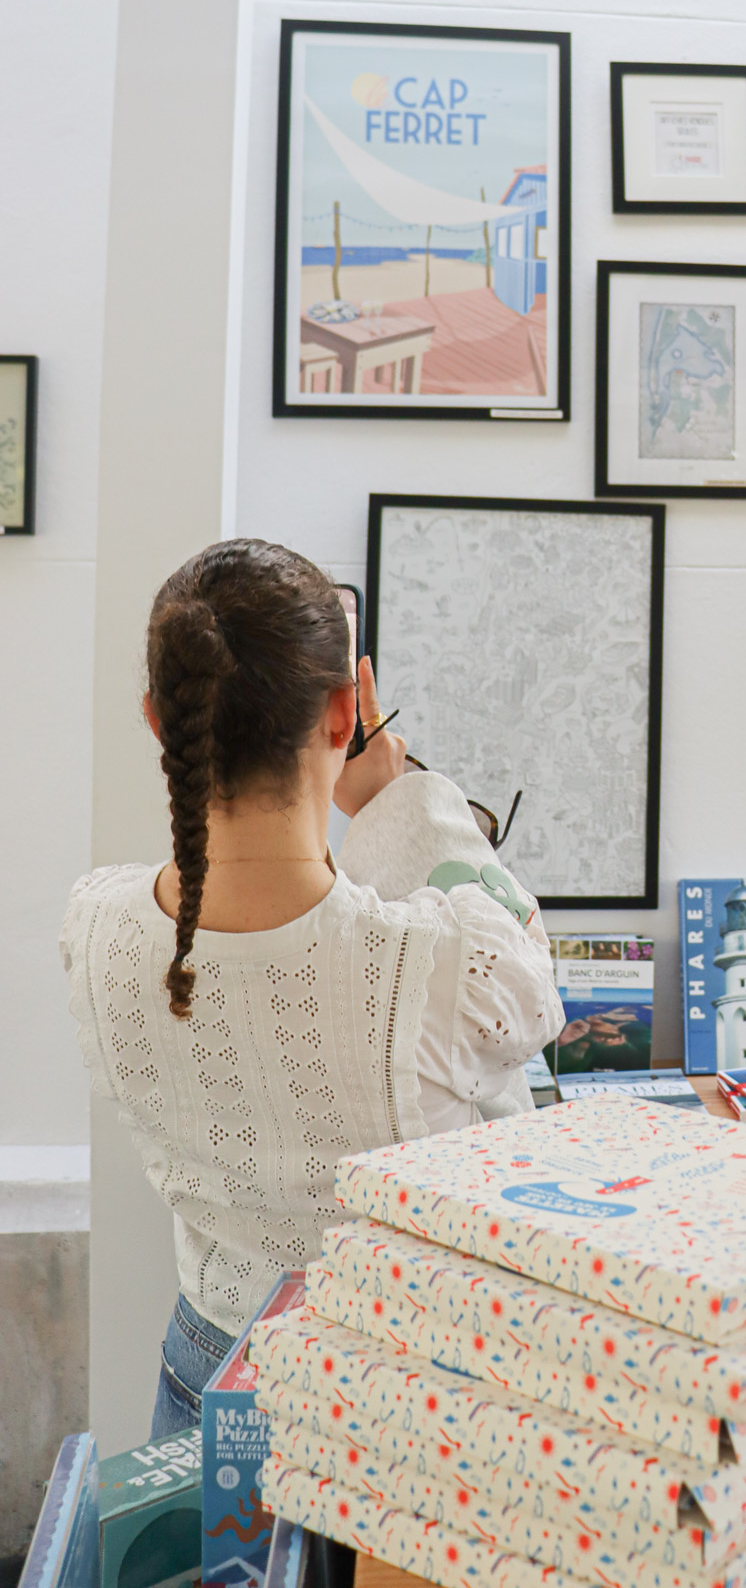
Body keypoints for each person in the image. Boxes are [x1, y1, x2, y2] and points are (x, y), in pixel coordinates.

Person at [61, 539, 562, 1438]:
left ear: (156, 719)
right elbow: (520, 959)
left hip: (209, 1372)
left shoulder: (94, 928)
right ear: (344, 712)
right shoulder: (442, 966)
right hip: (401, 1388)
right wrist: (393, 796)